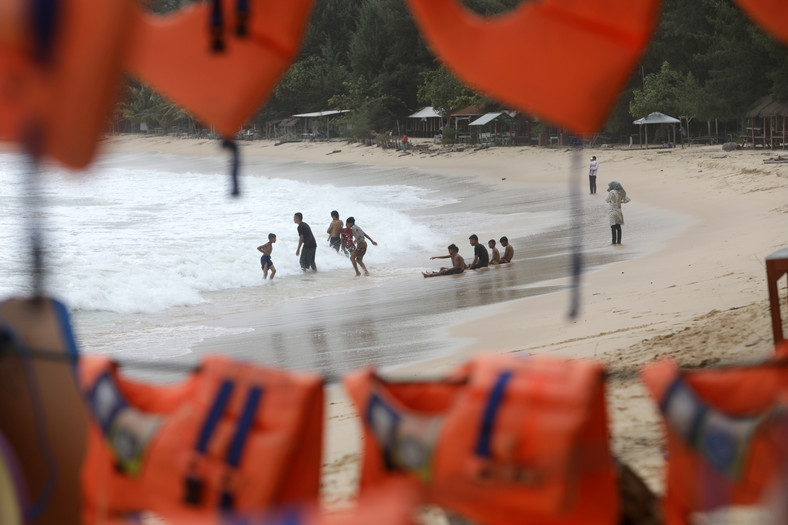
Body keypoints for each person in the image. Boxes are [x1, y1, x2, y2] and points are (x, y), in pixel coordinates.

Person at [606, 181, 630, 245]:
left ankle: (613, 242)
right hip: (618, 210)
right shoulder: (621, 192)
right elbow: (628, 200)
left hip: (612, 210)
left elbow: (607, 200)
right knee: (618, 226)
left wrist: (612, 202)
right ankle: (619, 242)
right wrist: (620, 202)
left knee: (613, 226)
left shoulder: (612, 192)